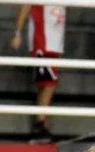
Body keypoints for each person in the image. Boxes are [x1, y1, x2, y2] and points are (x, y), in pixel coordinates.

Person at [11, 4, 67, 143]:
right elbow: (26, 6)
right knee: (49, 83)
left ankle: (42, 125)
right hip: (43, 41)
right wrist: (17, 33)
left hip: (54, 44)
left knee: (46, 84)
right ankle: (40, 125)